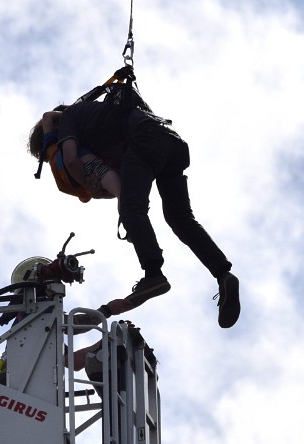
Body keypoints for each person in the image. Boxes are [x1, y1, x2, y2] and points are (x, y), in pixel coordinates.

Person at [29, 97, 240, 328]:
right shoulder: (101, 113)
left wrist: (87, 185)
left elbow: (69, 158)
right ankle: (223, 274)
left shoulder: (70, 118)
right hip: (171, 142)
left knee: (132, 208)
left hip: (143, 140)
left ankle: (153, 275)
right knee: (180, 218)